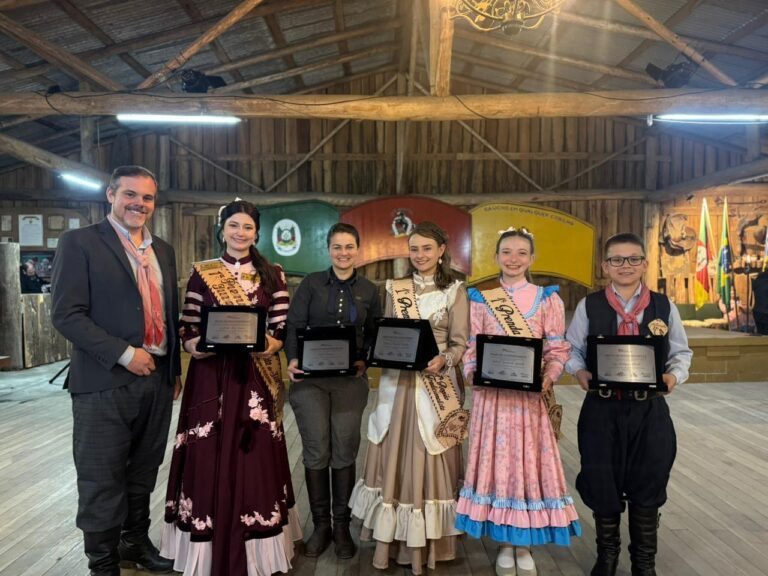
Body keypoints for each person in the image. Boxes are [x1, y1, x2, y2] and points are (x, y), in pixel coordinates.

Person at [50, 165, 181, 576]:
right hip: (104, 381)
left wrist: (173, 369)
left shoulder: (164, 250)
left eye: (147, 198)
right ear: (110, 195)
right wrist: (125, 353)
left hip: (157, 379)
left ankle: (134, 543)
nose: (138, 204)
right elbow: (66, 315)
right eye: (130, 195)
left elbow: (169, 314)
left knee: (143, 469)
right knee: (101, 475)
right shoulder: (80, 243)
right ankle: (102, 564)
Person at [161, 199, 301, 576]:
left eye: (248, 228)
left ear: (257, 232)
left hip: (255, 379)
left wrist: (267, 344)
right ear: (222, 229)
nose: (241, 233)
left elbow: (280, 330)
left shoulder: (273, 273)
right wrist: (198, 347)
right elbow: (188, 327)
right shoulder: (202, 274)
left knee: (254, 458)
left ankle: (255, 547)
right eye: (234, 226)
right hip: (210, 377)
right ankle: (205, 546)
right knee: (207, 455)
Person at [456, 227, 582, 576]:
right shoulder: (481, 298)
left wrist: (549, 375)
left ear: (532, 258)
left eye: (521, 252)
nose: (513, 259)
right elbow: (472, 346)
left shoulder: (548, 299)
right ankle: (504, 542)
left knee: (526, 467)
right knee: (498, 466)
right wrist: (472, 372)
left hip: (529, 402)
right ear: (496, 257)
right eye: (507, 252)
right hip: (492, 399)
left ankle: (523, 541)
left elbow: (557, 348)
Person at [565, 233, 692, 576]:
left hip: (648, 410)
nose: (626, 266)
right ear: (605, 266)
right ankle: (606, 557)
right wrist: (578, 371)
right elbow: (571, 349)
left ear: (645, 263)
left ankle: (644, 563)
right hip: (602, 410)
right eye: (617, 260)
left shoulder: (663, 306)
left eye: (633, 259)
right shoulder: (589, 305)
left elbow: (681, 352)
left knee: (649, 480)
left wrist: (673, 376)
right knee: (602, 479)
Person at [349, 221, 470, 575]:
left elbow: (460, 342)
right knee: (393, 450)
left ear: (441, 251)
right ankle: (392, 540)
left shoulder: (456, 291)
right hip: (398, 385)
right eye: (414, 249)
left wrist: (445, 359)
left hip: (436, 387)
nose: (420, 255)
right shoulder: (394, 288)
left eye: (427, 249)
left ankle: (430, 544)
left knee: (430, 451)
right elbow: (384, 332)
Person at [285, 222, 382, 559]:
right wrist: (293, 358)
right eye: (337, 247)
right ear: (328, 249)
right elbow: (294, 325)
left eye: (349, 247)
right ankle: (321, 527)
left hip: (349, 384)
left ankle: (341, 526)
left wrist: (365, 361)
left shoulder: (369, 290)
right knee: (316, 451)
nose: (343, 253)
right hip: (309, 382)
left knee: (344, 450)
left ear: (358, 250)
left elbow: (374, 333)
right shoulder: (311, 284)